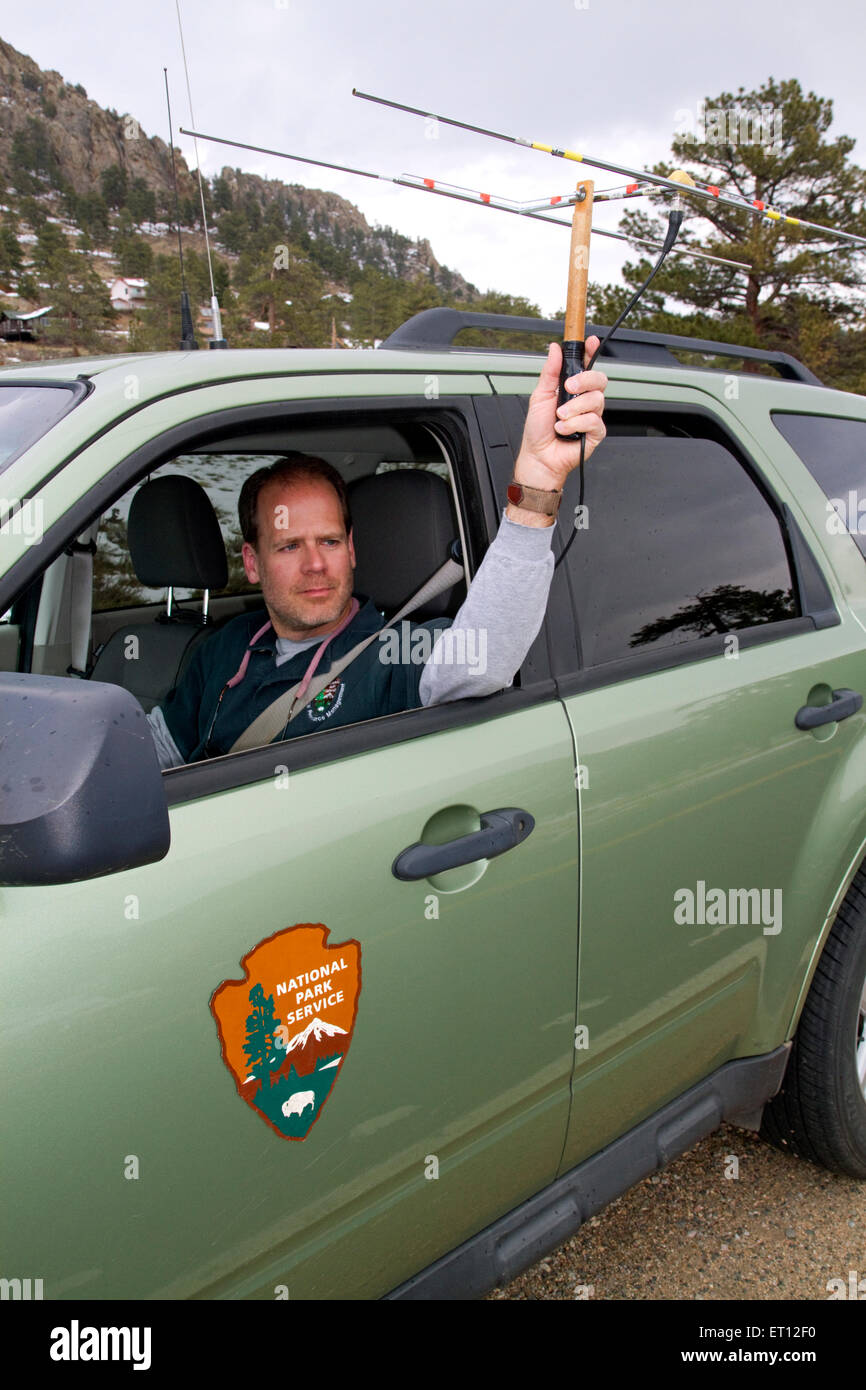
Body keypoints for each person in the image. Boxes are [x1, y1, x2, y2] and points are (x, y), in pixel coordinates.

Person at [146, 339, 608, 769]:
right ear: (251, 562)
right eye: (289, 546)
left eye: (328, 542)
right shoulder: (226, 647)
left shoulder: (394, 653)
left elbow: (483, 656)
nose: (315, 565)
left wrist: (538, 482)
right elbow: (159, 752)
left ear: (351, 549)